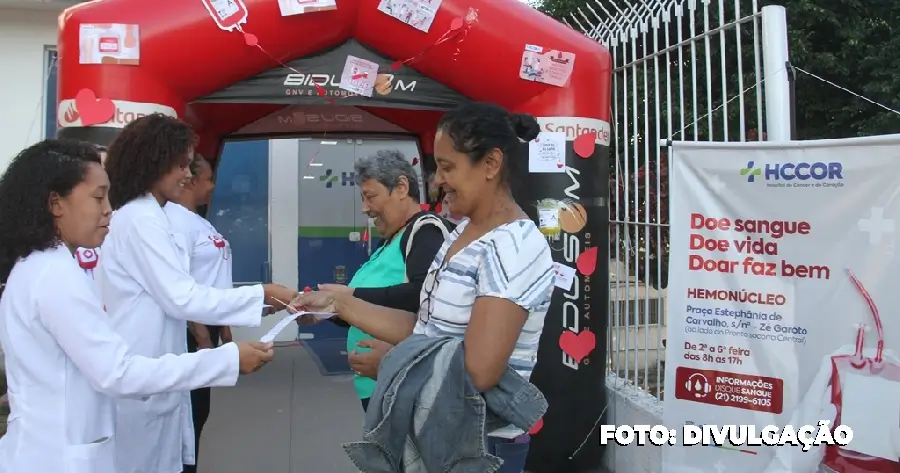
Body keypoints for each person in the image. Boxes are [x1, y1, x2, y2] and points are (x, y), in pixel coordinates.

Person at [294, 102, 554, 473]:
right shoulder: (462, 232)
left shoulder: (513, 247)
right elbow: (425, 328)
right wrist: (338, 303)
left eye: (447, 167)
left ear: (491, 165)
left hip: (478, 444)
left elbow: (479, 372)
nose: (437, 180)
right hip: (435, 430)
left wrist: (391, 365)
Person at [0, 140, 275, 473]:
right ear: (55, 203)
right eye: (98, 197)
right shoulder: (54, 276)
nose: (107, 210)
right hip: (58, 457)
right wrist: (225, 360)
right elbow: (117, 372)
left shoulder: (40, 267)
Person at [99, 114, 299, 473]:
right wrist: (261, 293)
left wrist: (263, 299)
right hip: (142, 372)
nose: (187, 175)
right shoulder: (140, 220)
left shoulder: (156, 217)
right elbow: (182, 297)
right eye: (180, 165)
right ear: (154, 163)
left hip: (159, 370)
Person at [300, 149, 452, 412]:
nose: (365, 208)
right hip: (379, 383)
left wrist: (346, 299)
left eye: (371, 197)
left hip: (402, 383)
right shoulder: (390, 240)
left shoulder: (425, 231)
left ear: (402, 187)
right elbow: (372, 306)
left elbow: (422, 295)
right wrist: (327, 311)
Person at [164, 154, 237, 473]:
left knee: (199, 412)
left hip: (210, 320)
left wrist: (225, 326)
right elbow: (182, 281)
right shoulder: (176, 221)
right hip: (192, 330)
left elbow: (212, 276)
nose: (212, 186)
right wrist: (202, 333)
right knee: (190, 413)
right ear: (191, 180)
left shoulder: (198, 220)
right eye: (208, 179)